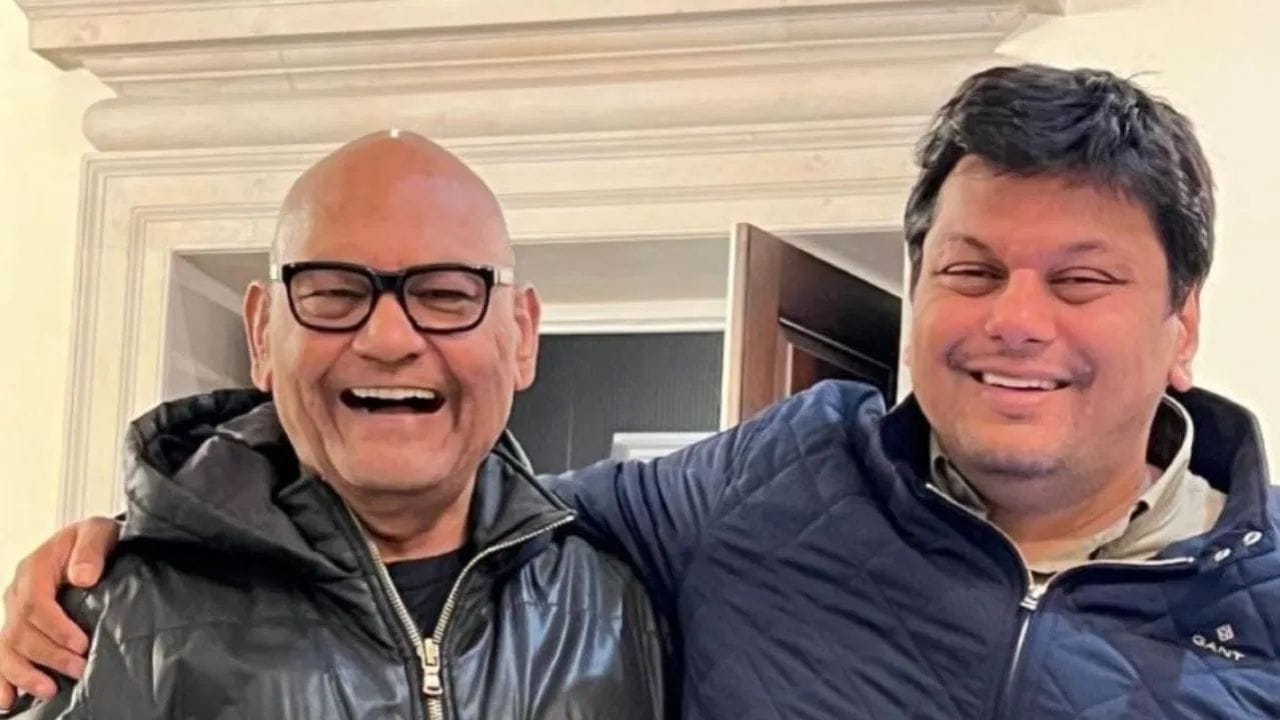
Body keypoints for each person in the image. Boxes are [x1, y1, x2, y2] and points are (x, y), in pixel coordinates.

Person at [6, 63, 1280, 718]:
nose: (1014, 320)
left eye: (1081, 279)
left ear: (1180, 326)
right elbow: (465, 505)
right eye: (970, 268)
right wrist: (164, 532)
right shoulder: (776, 482)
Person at [0, 131, 669, 718]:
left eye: (446, 294)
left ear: (521, 336)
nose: (388, 338)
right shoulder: (104, 621)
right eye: (333, 293)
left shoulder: (623, 607)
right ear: (262, 333)